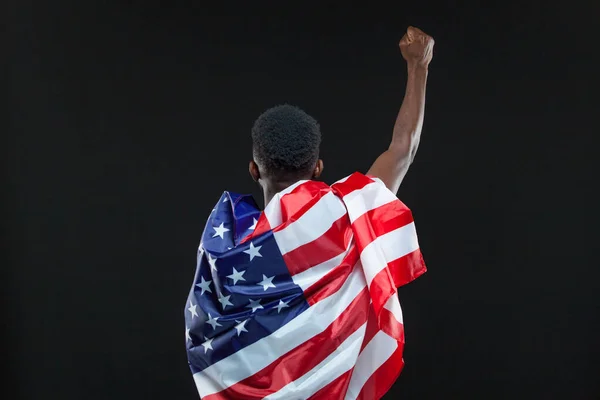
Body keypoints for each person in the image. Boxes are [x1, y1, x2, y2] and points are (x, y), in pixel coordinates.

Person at [185, 26, 434, 400]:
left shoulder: (225, 244)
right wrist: (419, 66)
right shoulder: (348, 214)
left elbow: (204, 336)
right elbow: (403, 149)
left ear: (254, 169)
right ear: (317, 167)